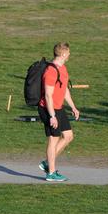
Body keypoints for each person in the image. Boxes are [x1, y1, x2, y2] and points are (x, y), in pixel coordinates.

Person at [39, 42, 79, 182]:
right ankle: (51, 173)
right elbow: (48, 95)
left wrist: (73, 107)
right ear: (62, 54)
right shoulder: (51, 71)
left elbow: (64, 90)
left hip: (59, 107)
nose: (69, 55)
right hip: (48, 108)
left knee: (68, 136)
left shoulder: (63, 69)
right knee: (53, 138)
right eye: (68, 53)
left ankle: (47, 162)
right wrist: (52, 116)